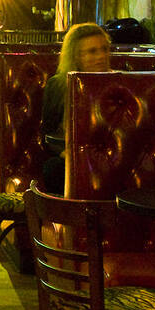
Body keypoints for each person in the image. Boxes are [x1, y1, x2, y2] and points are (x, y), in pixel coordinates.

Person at [39, 22, 112, 194]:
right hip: (72, 157)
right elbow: (47, 135)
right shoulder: (58, 85)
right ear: (75, 56)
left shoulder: (117, 83)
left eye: (105, 49)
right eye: (92, 51)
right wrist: (66, 152)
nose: (101, 56)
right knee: (54, 169)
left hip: (111, 156)